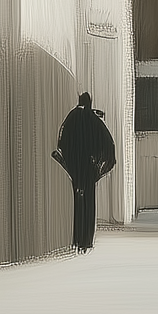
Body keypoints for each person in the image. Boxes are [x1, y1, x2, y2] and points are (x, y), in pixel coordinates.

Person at [53, 92, 117, 252]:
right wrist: (99, 163)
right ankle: (86, 239)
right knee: (89, 200)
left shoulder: (72, 117)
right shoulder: (93, 120)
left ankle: (77, 238)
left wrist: (70, 158)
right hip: (89, 167)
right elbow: (108, 144)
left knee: (78, 199)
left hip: (75, 166)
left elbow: (62, 142)